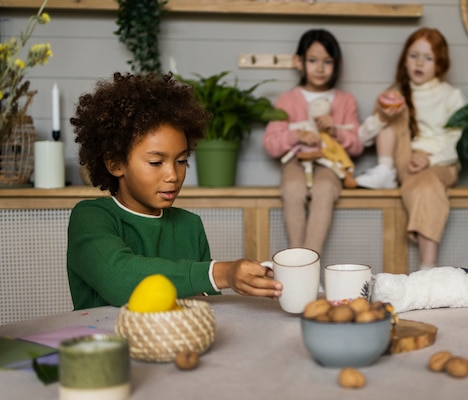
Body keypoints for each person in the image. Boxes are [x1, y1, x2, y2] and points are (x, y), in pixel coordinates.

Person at [67, 72, 282, 310]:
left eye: (181, 161)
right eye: (156, 162)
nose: (173, 175)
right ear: (115, 163)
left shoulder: (190, 226)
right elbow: (117, 279)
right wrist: (222, 272)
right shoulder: (90, 217)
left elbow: (202, 309)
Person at [355, 28, 465, 270]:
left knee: (427, 186)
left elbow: (458, 141)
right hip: (403, 160)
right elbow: (362, 139)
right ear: (404, 59)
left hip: (441, 162)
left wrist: (430, 159)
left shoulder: (450, 95)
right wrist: (383, 117)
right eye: (413, 55)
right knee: (393, 101)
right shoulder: (395, 94)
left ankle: (427, 267)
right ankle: (385, 170)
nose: (419, 63)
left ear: (439, 64)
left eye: (428, 58)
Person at [262, 29, 363, 255]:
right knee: (292, 188)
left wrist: (335, 131)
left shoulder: (346, 101)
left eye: (327, 61)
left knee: (325, 189)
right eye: (313, 60)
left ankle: (309, 261)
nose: (319, 68)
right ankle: (298, 260)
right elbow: (270, 144)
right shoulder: (287, 100)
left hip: (330, 163)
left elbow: (357, 145)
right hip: (296, 160)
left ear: (337, 64)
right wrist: (296, 136)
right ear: (299, 62)